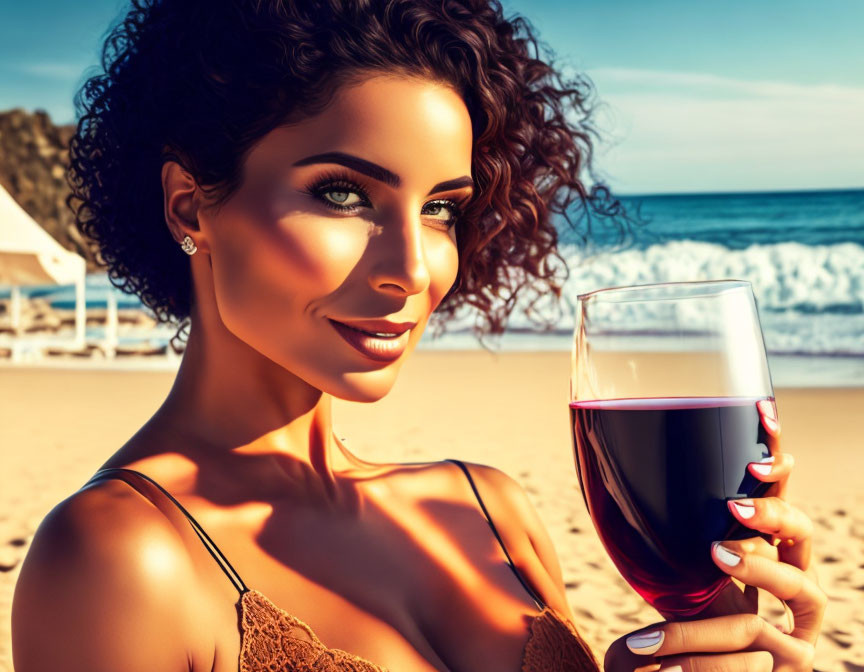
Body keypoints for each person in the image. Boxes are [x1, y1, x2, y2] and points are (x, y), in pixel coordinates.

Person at [11, 0, 825, 670]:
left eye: (440, 208)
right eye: (341, 193)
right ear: (191, 206)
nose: (413, 266)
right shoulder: (116, 559)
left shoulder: (488, 506)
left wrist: (713, 632)